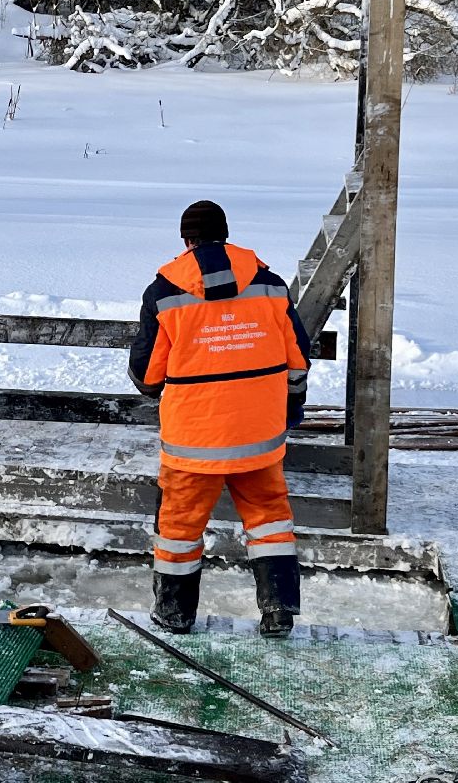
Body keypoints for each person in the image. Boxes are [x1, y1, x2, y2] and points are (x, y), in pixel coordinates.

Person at [128, 201, 311, 638]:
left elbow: (147, 375)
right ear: (225, 235)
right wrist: (290, 409)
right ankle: (278, 611)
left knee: (178, 527)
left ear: (186, 241)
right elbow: (298, 360)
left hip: (193, 442)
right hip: (260, 437)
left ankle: (174, 614)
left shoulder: (165, 292)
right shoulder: (269, 283)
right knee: (269, 520)